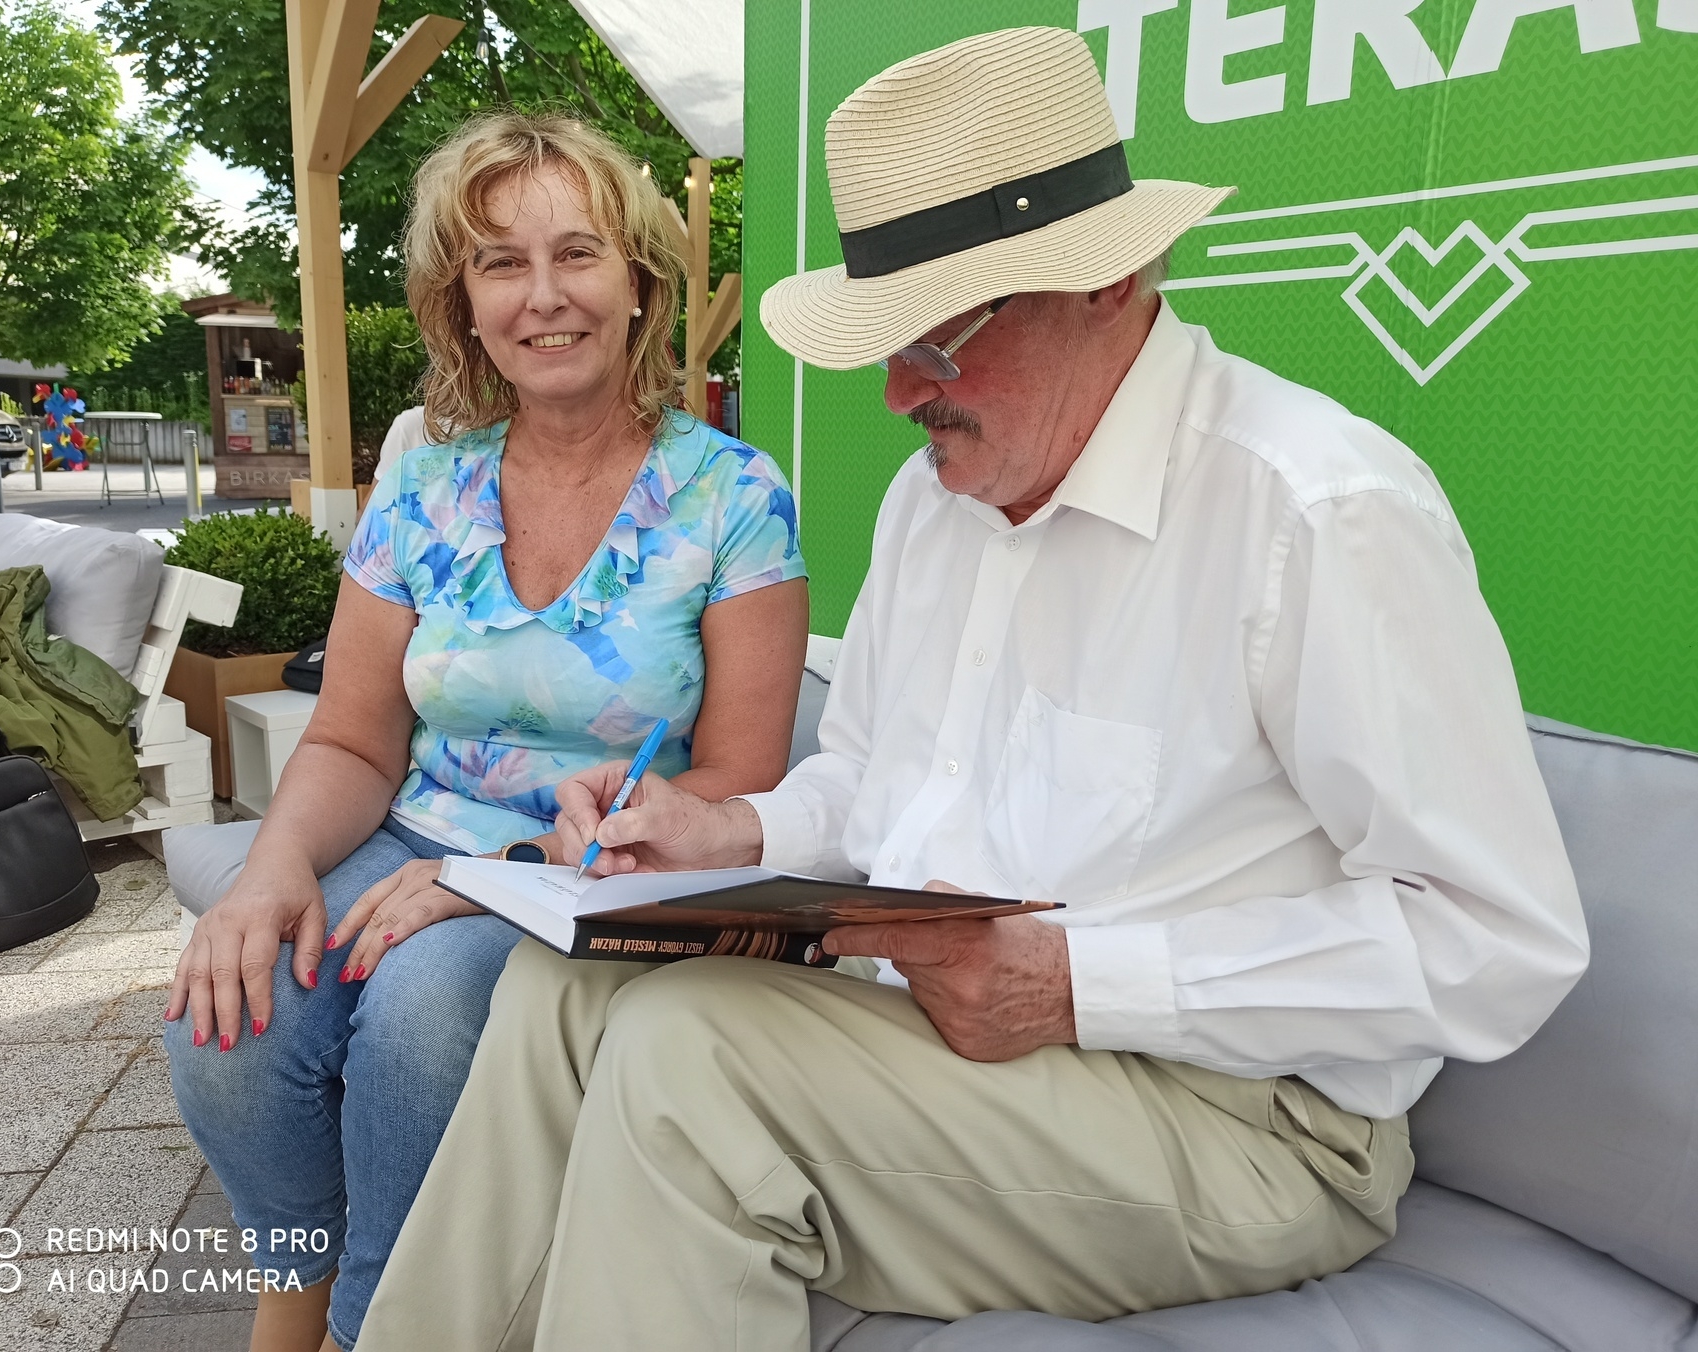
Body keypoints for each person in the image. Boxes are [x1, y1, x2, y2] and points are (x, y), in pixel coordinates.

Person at [355, 28, 1590, 1352]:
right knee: (560, 991)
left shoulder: (1315, 509)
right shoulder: (932, 501)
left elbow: (1497, 940)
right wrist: (722, 831)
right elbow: (870, 782)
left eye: (938, 337)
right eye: (883, 339)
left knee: (685, 1062)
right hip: (952, 1045)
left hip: (1248, 1122)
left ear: (1106, 278)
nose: (898, 391)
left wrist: (1078, 982)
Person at [159, 110, 809, 1352]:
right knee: (226, 1007)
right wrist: (271, 867)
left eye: (578, 253)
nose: (543, 295)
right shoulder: (421, 487)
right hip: (408, 830)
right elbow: (352, 741)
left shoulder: (734, 495)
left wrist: (499, 875)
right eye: (502, 262)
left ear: (640, 281)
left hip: (599, 871)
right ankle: (295, 1291)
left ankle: (384, 1323)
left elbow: (739, 780)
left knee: (420, 1018)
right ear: (464, 303)